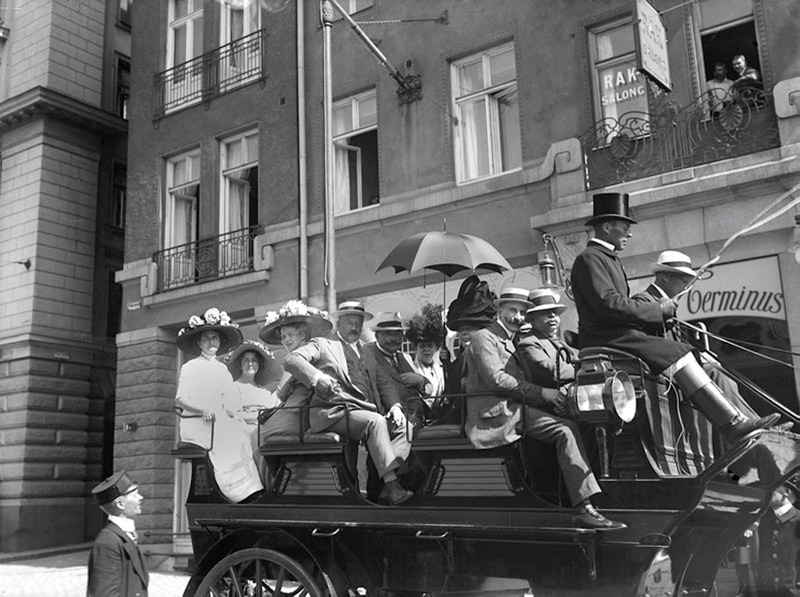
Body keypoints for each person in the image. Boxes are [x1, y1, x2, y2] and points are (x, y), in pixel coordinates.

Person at [570, 193, 778, 445]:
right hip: (607, 338)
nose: (630, 233)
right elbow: (609, 304)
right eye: (624, 227)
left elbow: (615, 305)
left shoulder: (605, 259)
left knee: (686, 354)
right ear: (606, 227)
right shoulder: (590, 258)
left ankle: (736, 422)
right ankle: (732, 424)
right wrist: (659, 310)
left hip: (618, 335)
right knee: (680, 353)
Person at [465, 287, 626, 529]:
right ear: (499, 310)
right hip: (497, 413)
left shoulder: (511, 339)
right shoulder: (484, 337)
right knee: (565, 430)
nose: (518, 317)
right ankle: (583, 506)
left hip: (515, 407)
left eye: (522, 312)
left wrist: (549, 399)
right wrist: (542, 394)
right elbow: (496, 379)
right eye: (513, 311)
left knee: (584, 422)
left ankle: (586, 490)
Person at [283, 303, 414, 505]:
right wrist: (317, 377)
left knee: (405, 426)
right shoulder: (323, 344)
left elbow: (384, 383)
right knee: (376, 422)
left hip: (363, 411)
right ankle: (391, 486)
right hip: (333, 411)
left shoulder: (367, 352)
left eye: (358, 324)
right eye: (350, 323)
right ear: (339, 323)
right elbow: (293, 359)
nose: (354, 328)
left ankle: (383, 478)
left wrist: (396, 407)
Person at [175, 308, 263, 503]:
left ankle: (254, 488)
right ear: (199, 343)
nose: (211, 342)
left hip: (219, 420)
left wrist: (238, 415)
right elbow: (181, 399)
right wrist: (202, 409)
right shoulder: (191, 366)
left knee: (250, 432)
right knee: (230, 437)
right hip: (199, 420)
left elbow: (230, 401)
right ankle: (236, 493)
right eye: (206, 338)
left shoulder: (221, 368)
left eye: (215, 338)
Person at [256, 300, 334, 442]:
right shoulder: (313, 352)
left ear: (303, 335)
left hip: (297, 414)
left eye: (291, 334)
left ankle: (267, 465)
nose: (286, 340)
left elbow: (281, 394)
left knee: (256, 437)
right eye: (283, 337)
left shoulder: (296, 358)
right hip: (308, 412)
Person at [363, 311, 433, 428]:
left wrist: (420, 380)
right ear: (377, 336)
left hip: (418, 418)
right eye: (388, 334)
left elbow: (428, 391)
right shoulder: (368, 355)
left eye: (398, 334)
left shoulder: (404, 357)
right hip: (391, 421)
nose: (394, 339)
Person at [87, 471, 149, 597]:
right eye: (135, 495)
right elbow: (104, 594)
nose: (140, 498)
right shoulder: (108, 542)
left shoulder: (123, 535)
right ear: (120, 504)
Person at [516, 288, 578, 389]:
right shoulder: (528, 343)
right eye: (545, 313)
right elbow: (554, 372)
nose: (552, 316)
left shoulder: (560, 342)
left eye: (555, 312)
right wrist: (582, 370)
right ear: (532, 319)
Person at [226, 339, 282, 428]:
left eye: (254, 360)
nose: (250, 363)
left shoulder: (265, 392)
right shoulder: (233, 388)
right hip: (240, 431)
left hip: (264, 433)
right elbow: (233, 415)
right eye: (246, 360)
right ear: (240, 365)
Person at [407, 303, 446, 398]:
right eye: (422, 346)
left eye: (430, 346)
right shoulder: (411, 368)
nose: (426, 350)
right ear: (416, 347)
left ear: (436, 347)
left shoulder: (442, 369)